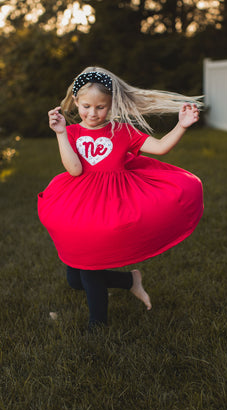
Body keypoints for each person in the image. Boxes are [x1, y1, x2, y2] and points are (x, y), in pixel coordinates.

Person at [38, 66, 204, 331]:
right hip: (79, 202)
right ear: (76, 102)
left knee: (90, 269)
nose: (93, 113)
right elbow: (75, 169)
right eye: (87, 106)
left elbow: (161, 148)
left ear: (112, 105)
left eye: (101, 107)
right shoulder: (71, 133)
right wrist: (60, 133)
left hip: (110, 202)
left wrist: (181, 126)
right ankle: (130, 281)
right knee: (75, 279)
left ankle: (98, 325)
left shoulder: (122, 131)